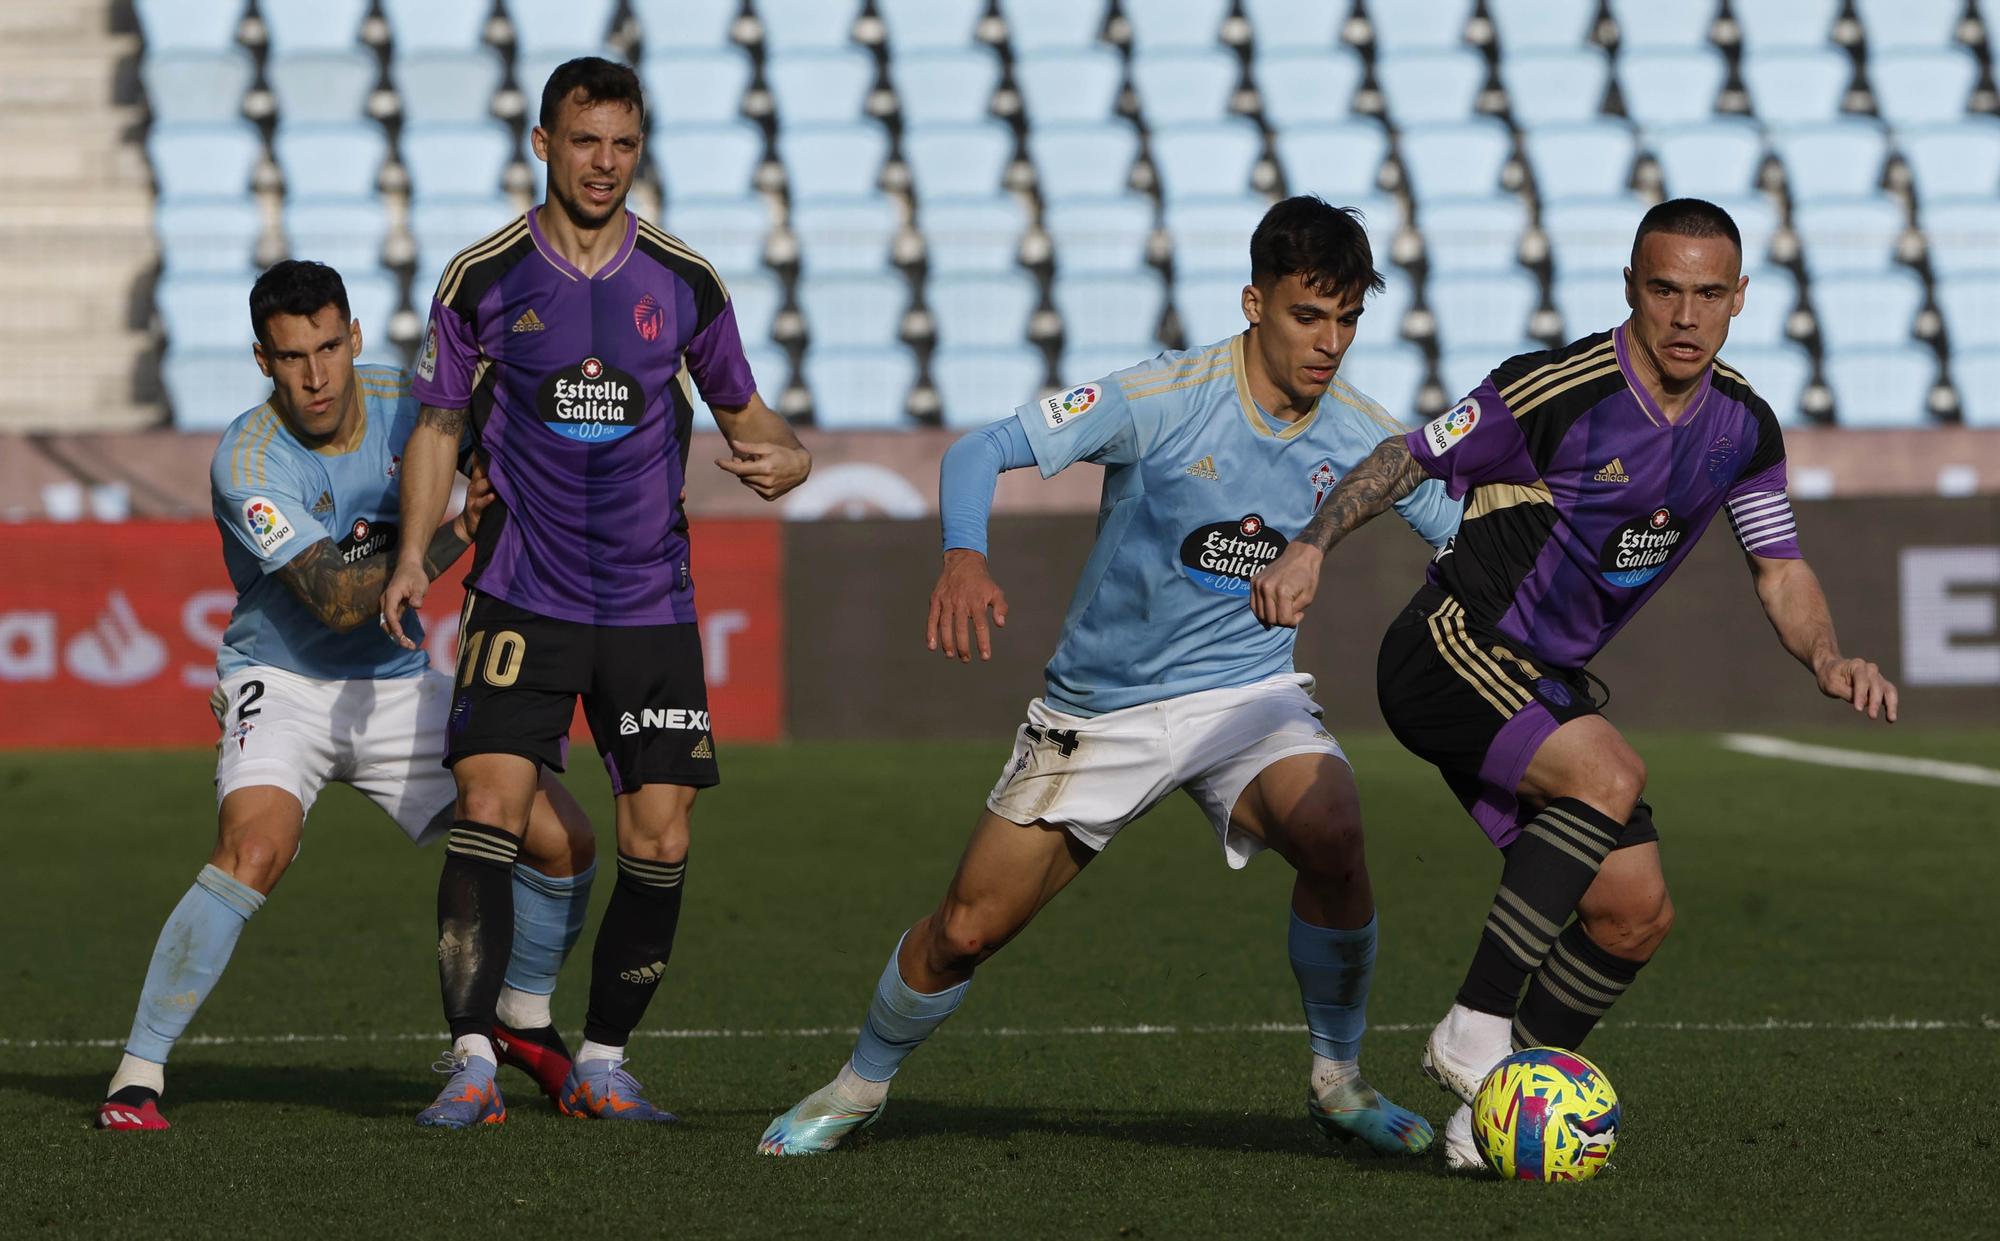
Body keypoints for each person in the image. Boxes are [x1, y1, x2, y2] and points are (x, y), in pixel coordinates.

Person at [758, 196, 1458, 1157]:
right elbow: (979, 450)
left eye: (1347, 319)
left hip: (1244, 698)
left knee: (1335, 830)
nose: (1329, 340)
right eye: (1309, 314)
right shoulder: (1162, 396)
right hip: (1101, 710)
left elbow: (1459, 531)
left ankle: (1338, 1080)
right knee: (965, 930)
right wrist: (964, 554)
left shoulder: (1362, 433)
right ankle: (859, 1083)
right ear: (1256, 303)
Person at [1249, 198, 1900, 1169]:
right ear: (1630, 288)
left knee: (1632, 912)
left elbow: (1777, 565)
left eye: (1707, 294)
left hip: (1540, 680)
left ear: (1738, 300)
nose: (1685, 316)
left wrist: (1825, 653)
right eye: (1664, 290)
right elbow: (1404, 455)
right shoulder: (1556, 388)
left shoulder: (1741, 428)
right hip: (1448, 645)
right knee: (1606, 768)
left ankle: (1490, 1120)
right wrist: (1309, 545)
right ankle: (1472, 1028)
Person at [380, 57, 810, 1128]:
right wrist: (407, 556)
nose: (605, 164)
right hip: (521, 588)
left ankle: (606, 1061)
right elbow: (438, 423)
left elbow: (752, 418)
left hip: (647, 599)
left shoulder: (684, 280)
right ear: (543, 144)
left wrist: (788, 457)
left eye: (622, 144)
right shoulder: (482, 275)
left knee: (660, 836)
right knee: (491, 804)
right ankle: (472, 1057)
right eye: (585, 142)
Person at [96, 261, 597, 1132]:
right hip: (282, 680)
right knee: (255, 847)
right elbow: (333, 596)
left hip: (397, 683)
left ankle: (520, 1018)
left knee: (564, 841)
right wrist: (457, 534)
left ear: (354, 337)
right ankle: (138, 1073)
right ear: (263, 359)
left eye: (329, 347)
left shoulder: (411, 402)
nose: (316, 375)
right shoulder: (246, 458)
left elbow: (515, 458)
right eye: (292, 357)